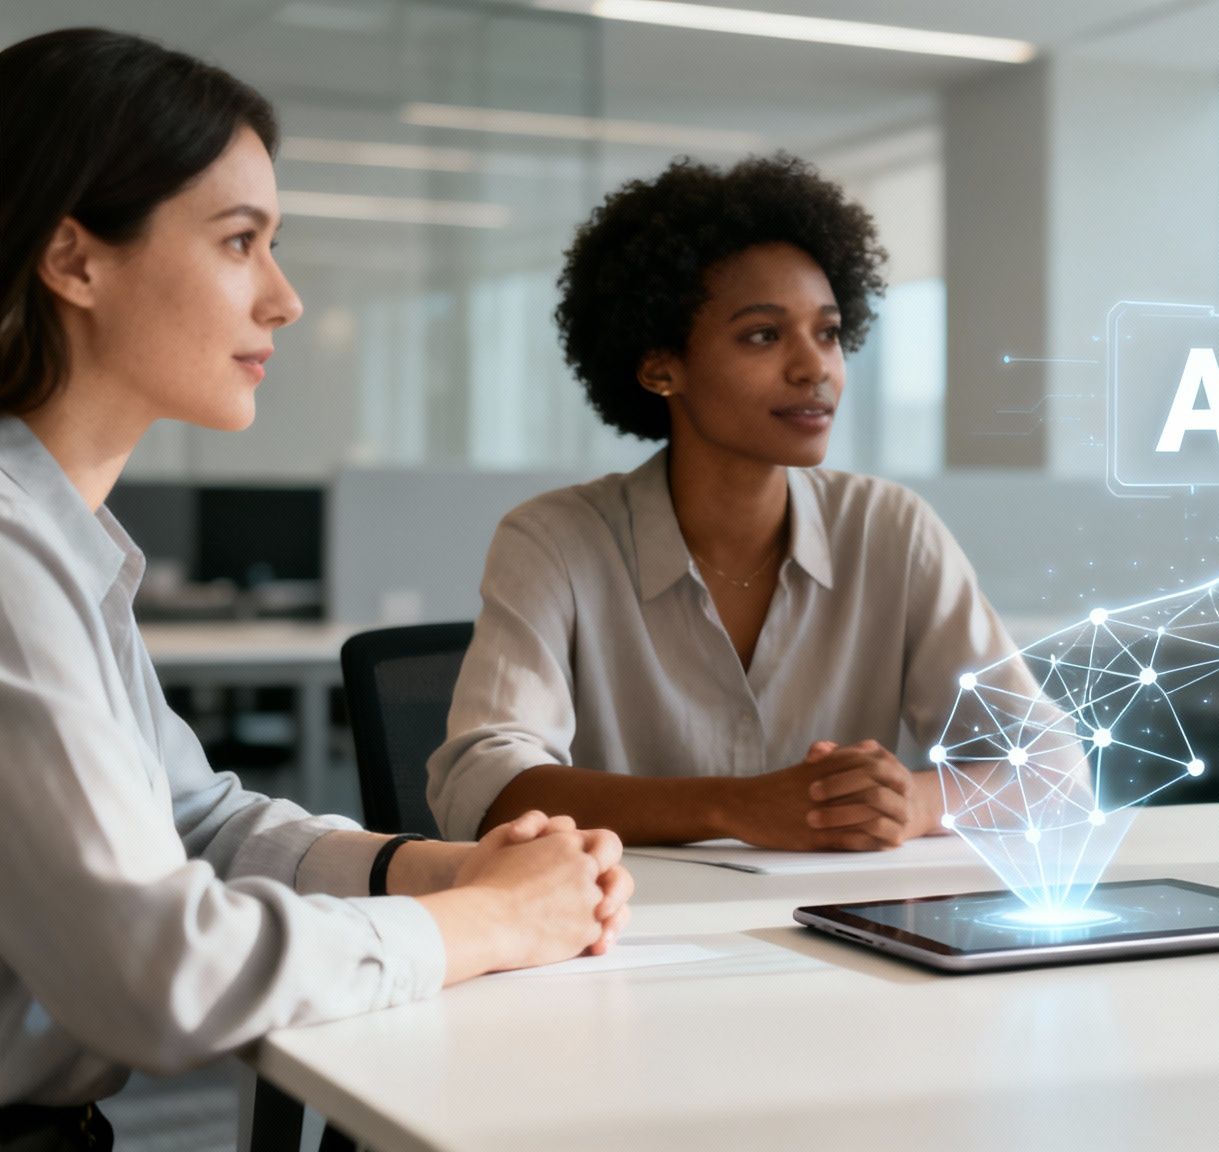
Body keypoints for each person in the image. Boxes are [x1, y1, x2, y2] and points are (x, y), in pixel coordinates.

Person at [0, 28, 633, 1146]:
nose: (285, 300)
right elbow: (160, 975)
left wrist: (433, 869)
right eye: (241, 241)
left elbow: (200, 819)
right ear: (75, 259)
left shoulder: (62, 539)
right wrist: (483, 923)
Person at [426, 155, 1035, 849]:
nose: (815, 369)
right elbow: (485, 789)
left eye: (828, 332)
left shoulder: (889, 529)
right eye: (763, 335)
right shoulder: (557, 541)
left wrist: (917, 803)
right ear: (662, 366)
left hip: (845, 935)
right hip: (626, 937)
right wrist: (735, 808)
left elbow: (1050, 766)